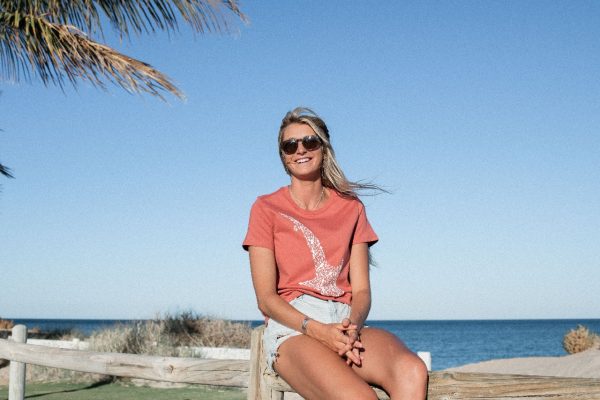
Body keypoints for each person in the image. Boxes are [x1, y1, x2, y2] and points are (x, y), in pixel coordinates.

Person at [243, 107, 428, 400]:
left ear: (324, 148)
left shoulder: (351, 208)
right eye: (290, 145)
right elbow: (266, 298)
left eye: (310, 141)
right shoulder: (266, 209)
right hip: (295, 327)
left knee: (411, 371)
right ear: (283, 156)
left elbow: (362, 290)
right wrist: (317, 330)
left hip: (345, 321)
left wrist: (352, 327)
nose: (300, 149)